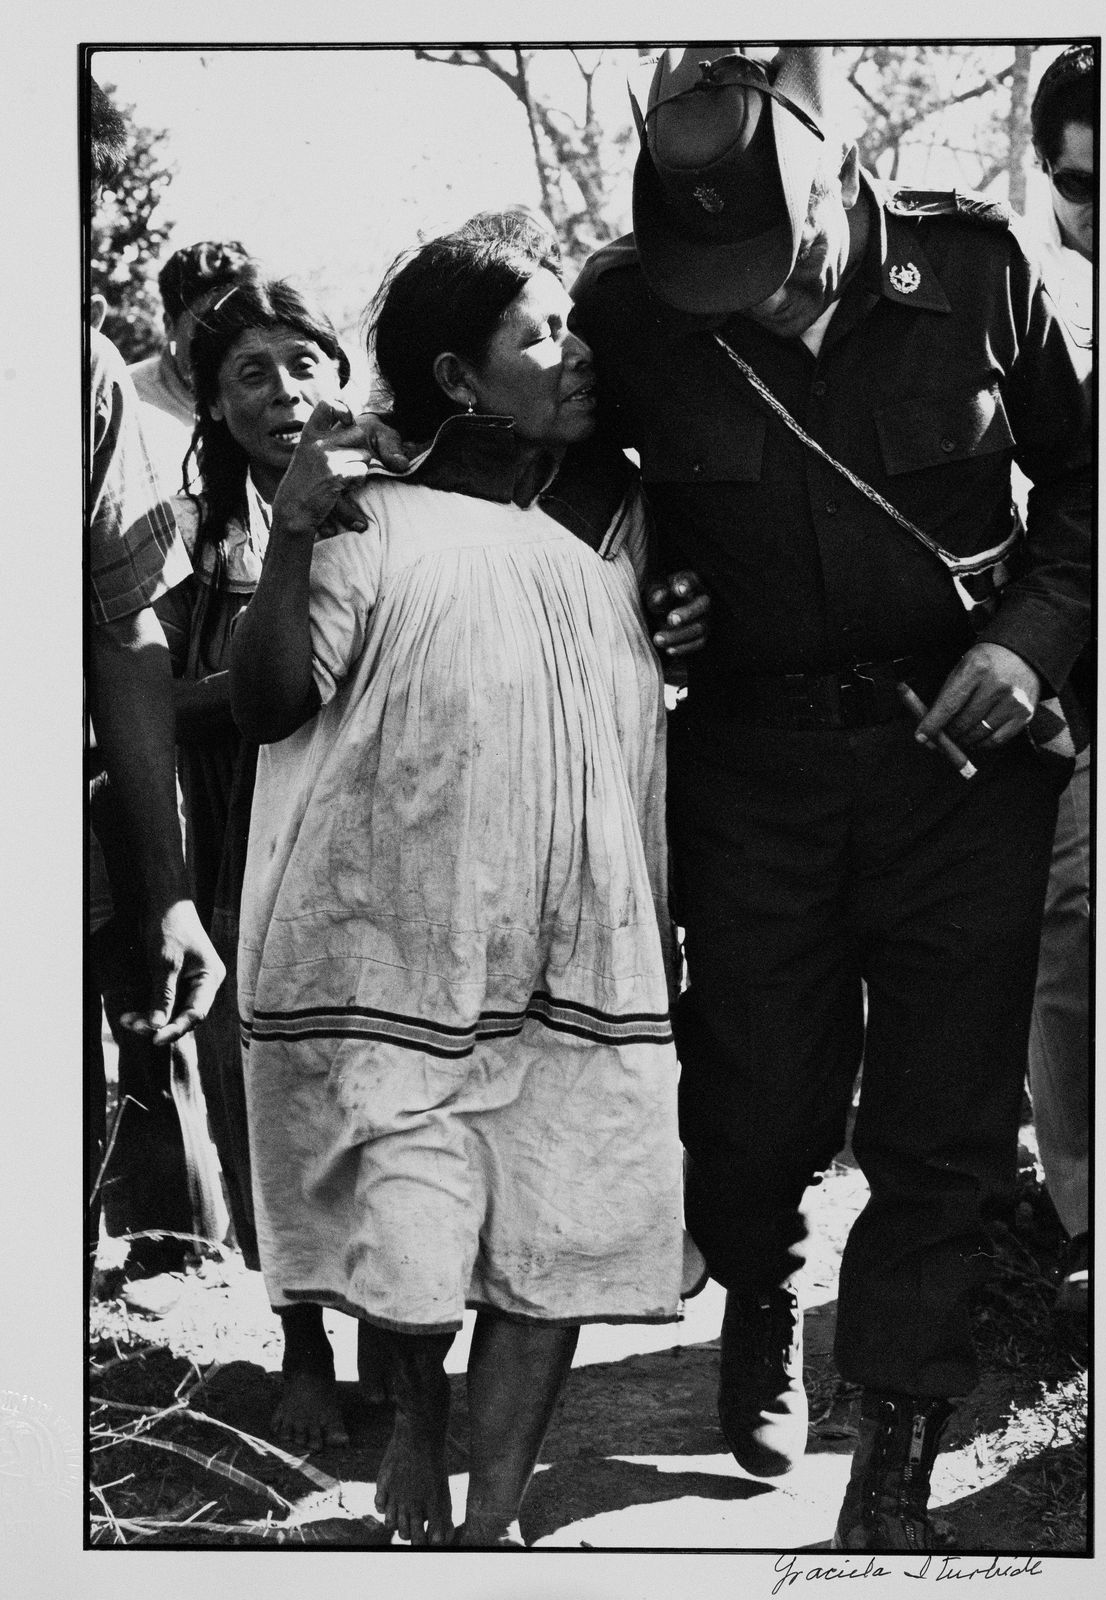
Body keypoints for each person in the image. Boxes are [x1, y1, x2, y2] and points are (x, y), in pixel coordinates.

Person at [566, 46, 1090, 1551]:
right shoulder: (624, 304)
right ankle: (758, 1286)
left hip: (961, 767)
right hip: (750, 768)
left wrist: (1025, 636)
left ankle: (894, 1465)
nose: (752, 299)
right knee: (753, 1097)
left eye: (774, 262)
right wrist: (641, 580)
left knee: (939, 1115)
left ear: (829, 181)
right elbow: (572, 474)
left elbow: (1089, 483)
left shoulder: (977, 273)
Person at [229, 211, 707, 1544]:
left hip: (576, 952)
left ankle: (490, 1520)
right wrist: (288, 537)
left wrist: (683, 627)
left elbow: (642, 698)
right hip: (400, 953)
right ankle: (418, 1455)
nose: (574, 354)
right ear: (453, 377)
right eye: (536, 332)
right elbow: (273, 699)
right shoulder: (369, 517)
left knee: (552, 1231)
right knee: (412, 1238)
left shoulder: (610, 532)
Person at [153, 273, 392, 1446]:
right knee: (267, 1096)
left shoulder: (389, 495)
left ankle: (401, 1345)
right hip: (245, 843)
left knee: (382, 1086)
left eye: (303, 362)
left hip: (369, 832)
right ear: (212, 402)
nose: (284, 391)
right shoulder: (190, 536)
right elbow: (168, 693)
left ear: (340, 375)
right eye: (251, 371)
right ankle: (302, 1344)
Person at [86, 79, 225, 1287]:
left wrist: (170, 883)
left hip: (165, 743)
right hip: (155, 724)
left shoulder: (81, 384)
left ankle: (184, 1245)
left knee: (146, 999)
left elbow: (123, 619)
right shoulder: (130, 391)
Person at [1026, 42, 1094, 1344]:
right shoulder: (1055, 330)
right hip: (1083, 697)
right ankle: (1091, 1228)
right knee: (1065, 946)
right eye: (1078, 185)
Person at [130, 240, 256, 495]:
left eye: (236, 326)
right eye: (206, 327)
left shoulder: (274, 394)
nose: (223, 342)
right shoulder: (127, 403)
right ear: (170, 327)